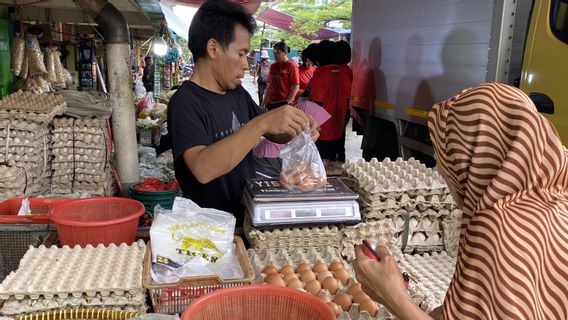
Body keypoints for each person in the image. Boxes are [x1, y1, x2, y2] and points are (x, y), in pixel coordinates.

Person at [352, 83, 568, 320]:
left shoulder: (498, 227)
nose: (442, 171)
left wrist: (392, 297)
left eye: (445, 155)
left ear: (473, 157)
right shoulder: (555, 200)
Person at [167, 0, 319, 225]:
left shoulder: (236, 93)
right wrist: (262, 123)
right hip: (208, 229)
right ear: (213, 48)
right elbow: (203, 168)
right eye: (241, 53)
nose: (246, 64)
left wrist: (296, 126)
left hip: (244, 219)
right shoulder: (185, 102)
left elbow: (274, 131)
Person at [310, 40, 352, 161]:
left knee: (321, 160)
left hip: (323, 124)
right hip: (339, 120)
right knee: (337, 153)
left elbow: (317, 102)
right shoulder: (344, 71)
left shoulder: (320, 72)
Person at [261, 41, 300, 110]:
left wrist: (288, 101)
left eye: (278, 53)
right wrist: (263, 102)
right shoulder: (273, 66)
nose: (275, 55)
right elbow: (269, 86)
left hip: (283, 102)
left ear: (285, 52)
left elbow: (296, 86)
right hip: (271, 102)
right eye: (274, 53)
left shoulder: (292, 66)